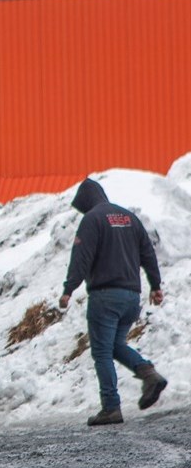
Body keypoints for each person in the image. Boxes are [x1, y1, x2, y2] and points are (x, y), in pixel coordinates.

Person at [59, 178, 167, 426]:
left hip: (105, 297)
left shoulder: (92, 219)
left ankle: (110, 407)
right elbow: (148, 252)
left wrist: (68, 289)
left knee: (101, 352)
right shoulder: (128, 217)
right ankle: (149, 374)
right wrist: (156, 285)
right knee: (116, 344)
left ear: (85, 201)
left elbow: (81, 257)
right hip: (131, 296)